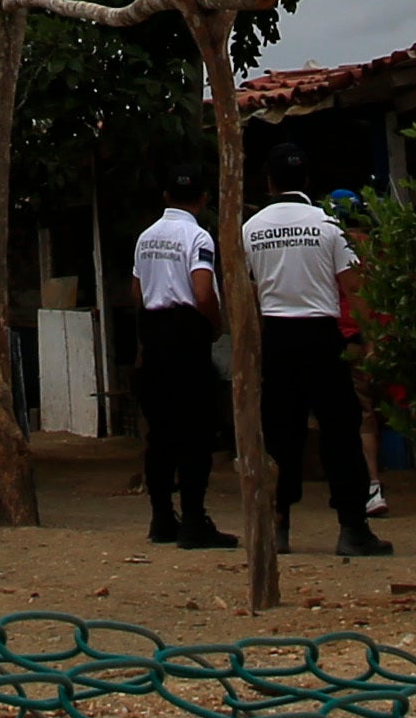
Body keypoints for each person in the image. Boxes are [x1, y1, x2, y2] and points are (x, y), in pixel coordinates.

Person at [241, 184, 387, 557]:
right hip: (323, 335)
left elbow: (245, 291)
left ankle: (278, 525)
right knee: (340, 430)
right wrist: (371, 341)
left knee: (278, 434)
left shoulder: (250, 227)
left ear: (270, 183)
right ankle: (352, 527)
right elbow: (354, 287)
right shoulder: (328, 224)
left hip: (276, 336)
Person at [128, 182, 229, 547]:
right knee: (196, 432)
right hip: (186, 333)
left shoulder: (146, 238)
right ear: (203, 198)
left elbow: (137, 291)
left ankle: (160, 518)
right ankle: (193, 519)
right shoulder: (198, 237)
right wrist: (216, 323)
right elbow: (202, 291)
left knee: (160, 433)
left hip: (154, 332)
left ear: (166, 195)